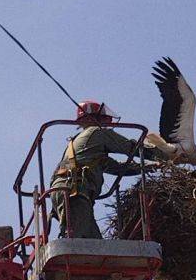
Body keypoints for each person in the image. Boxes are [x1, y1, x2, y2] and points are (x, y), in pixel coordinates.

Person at [50, 100, 166, 238]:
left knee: (93, 243)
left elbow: (119, 168)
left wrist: (152, 167)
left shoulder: (87, 149)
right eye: (103, 118)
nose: (107, 123)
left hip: (66, 191)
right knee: (82, 243)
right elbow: (131, 148)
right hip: (74, 192)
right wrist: (166, 154)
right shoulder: (97, 132)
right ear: (93, 118)